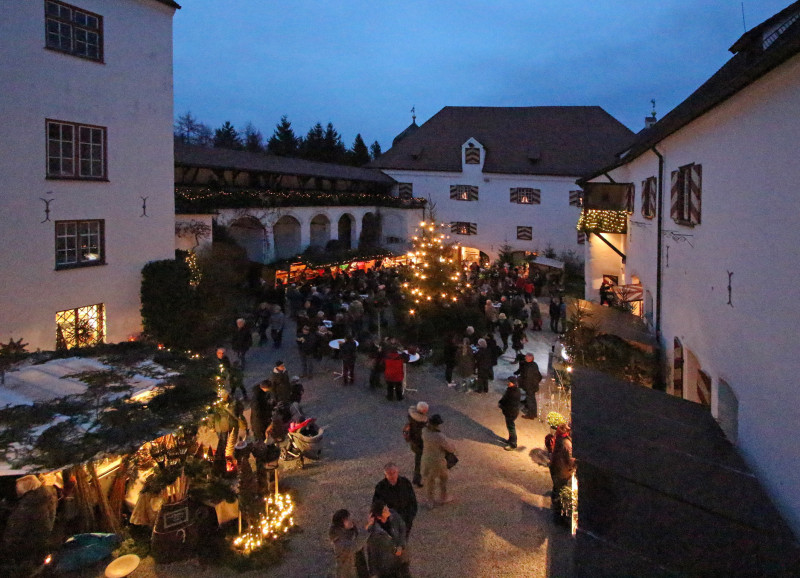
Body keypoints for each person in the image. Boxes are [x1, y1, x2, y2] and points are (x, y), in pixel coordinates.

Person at [372, 463, 418, 537]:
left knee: (403, 539)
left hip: (405, 518)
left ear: (398, 472)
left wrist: (410, 517)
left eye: (394, 473)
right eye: (389, 474)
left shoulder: (405, 483)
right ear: (385, 474)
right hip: (389, 521)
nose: (392, 476)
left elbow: (412, 502)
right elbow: (376, 506)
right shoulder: (380, 487)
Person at [421, 414, 456, 507]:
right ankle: (443, 497)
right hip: (438, 461)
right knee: (443, 478)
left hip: (426, 459)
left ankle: (430, 501)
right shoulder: (439, 436)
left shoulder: (424, 431)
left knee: (429, 481)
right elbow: (450, 449)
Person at [366, 500, 407, 578]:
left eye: (386, 508)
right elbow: (372, 554)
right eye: (385, 510)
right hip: (385, 565)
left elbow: (402, 527)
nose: (388, 510)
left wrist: (400, 545)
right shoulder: (374, 533)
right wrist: (374, 574)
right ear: (379, 516)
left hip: (399, 560)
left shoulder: (393, 515)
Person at [550, 423, 576, 525]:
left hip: (555, 468)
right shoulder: (567, 444)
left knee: (556, 488)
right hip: (561, 472)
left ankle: (555, 504)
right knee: (560, 492)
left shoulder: (561, 437)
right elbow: (571, 461)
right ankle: (558, 517)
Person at [329, 509, 364, 578]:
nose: (350, 521)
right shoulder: (338, 540)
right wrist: (366, 530)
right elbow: (354, 546)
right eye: (347, 520)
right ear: (341, 523)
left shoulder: (346, 534)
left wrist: (354, 528)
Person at [406, 401, 429, 487]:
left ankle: (418, 478)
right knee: (419, 462)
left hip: (413, 442)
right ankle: (417, 480)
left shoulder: (411, 415)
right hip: (419, 444)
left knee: (418, 461)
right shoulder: (421, 423)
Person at [515, 353, 542, 419]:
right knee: (531, 399)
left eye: (526, 357)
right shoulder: (534, 364)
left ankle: (531, 415)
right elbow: (539, 376)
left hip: (530, 387)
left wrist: (523, 384)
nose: (525, 358)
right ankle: (532, 411)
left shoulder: (529, 368)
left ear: (530, 359)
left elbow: (527, 378)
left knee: (531, 400)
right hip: (533, 386)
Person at [498, 376, 522, 450]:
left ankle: (513, 444)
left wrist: (502, 405)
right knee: (509, 427)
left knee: (511, 427)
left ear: (513, 383)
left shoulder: (513, 393)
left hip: (511, 412)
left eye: (510, 382)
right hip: (511, 411)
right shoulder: (513, 390)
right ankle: (510, 440)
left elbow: (508, 402)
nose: (508, 383)